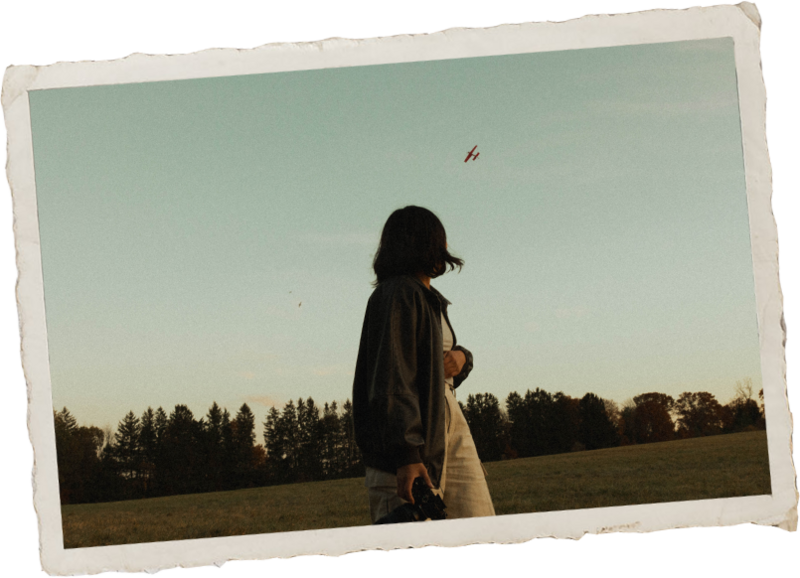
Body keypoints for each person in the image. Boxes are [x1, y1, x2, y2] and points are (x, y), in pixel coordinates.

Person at [352, 205, 496, 523]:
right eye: (438, 240)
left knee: (480, 525)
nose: (445, 248)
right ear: (420, 243)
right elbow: (392, 378)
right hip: (409, 439)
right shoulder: (398, 293)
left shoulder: (431, 299)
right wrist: (406, 453)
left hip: (447, 420)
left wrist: (463, 358)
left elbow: (433, 368)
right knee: (417, 535)